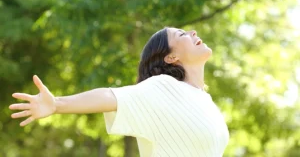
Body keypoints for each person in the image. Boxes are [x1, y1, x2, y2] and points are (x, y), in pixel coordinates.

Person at [9, 27, 230, 157]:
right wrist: (57, 104)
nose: (192, 32)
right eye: (182, 35)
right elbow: (111, 96)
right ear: (171, 58)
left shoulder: (206, 101)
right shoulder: (164, 88)